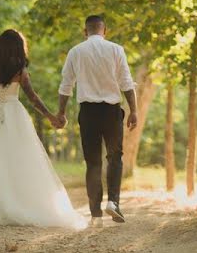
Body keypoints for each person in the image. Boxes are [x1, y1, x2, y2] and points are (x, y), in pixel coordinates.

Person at [0, 29, 84, 229]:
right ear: (19, 47)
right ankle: (17, 201)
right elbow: (33, 98)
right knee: (17, 159)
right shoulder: (20, 70)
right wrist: (51, 117)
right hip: (14, 115)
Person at [57, 15, 137, 227]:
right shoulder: (116, 49)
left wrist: (61, 113)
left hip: (88, 112)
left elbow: (66, 86)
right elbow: (127, 82)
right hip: (111, 112)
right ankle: (113, 202)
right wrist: (134, 111)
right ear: (105, 30)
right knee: (115, 157)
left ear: (85, 31)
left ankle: (96, 216)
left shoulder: (76, 52)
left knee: (93, 163)